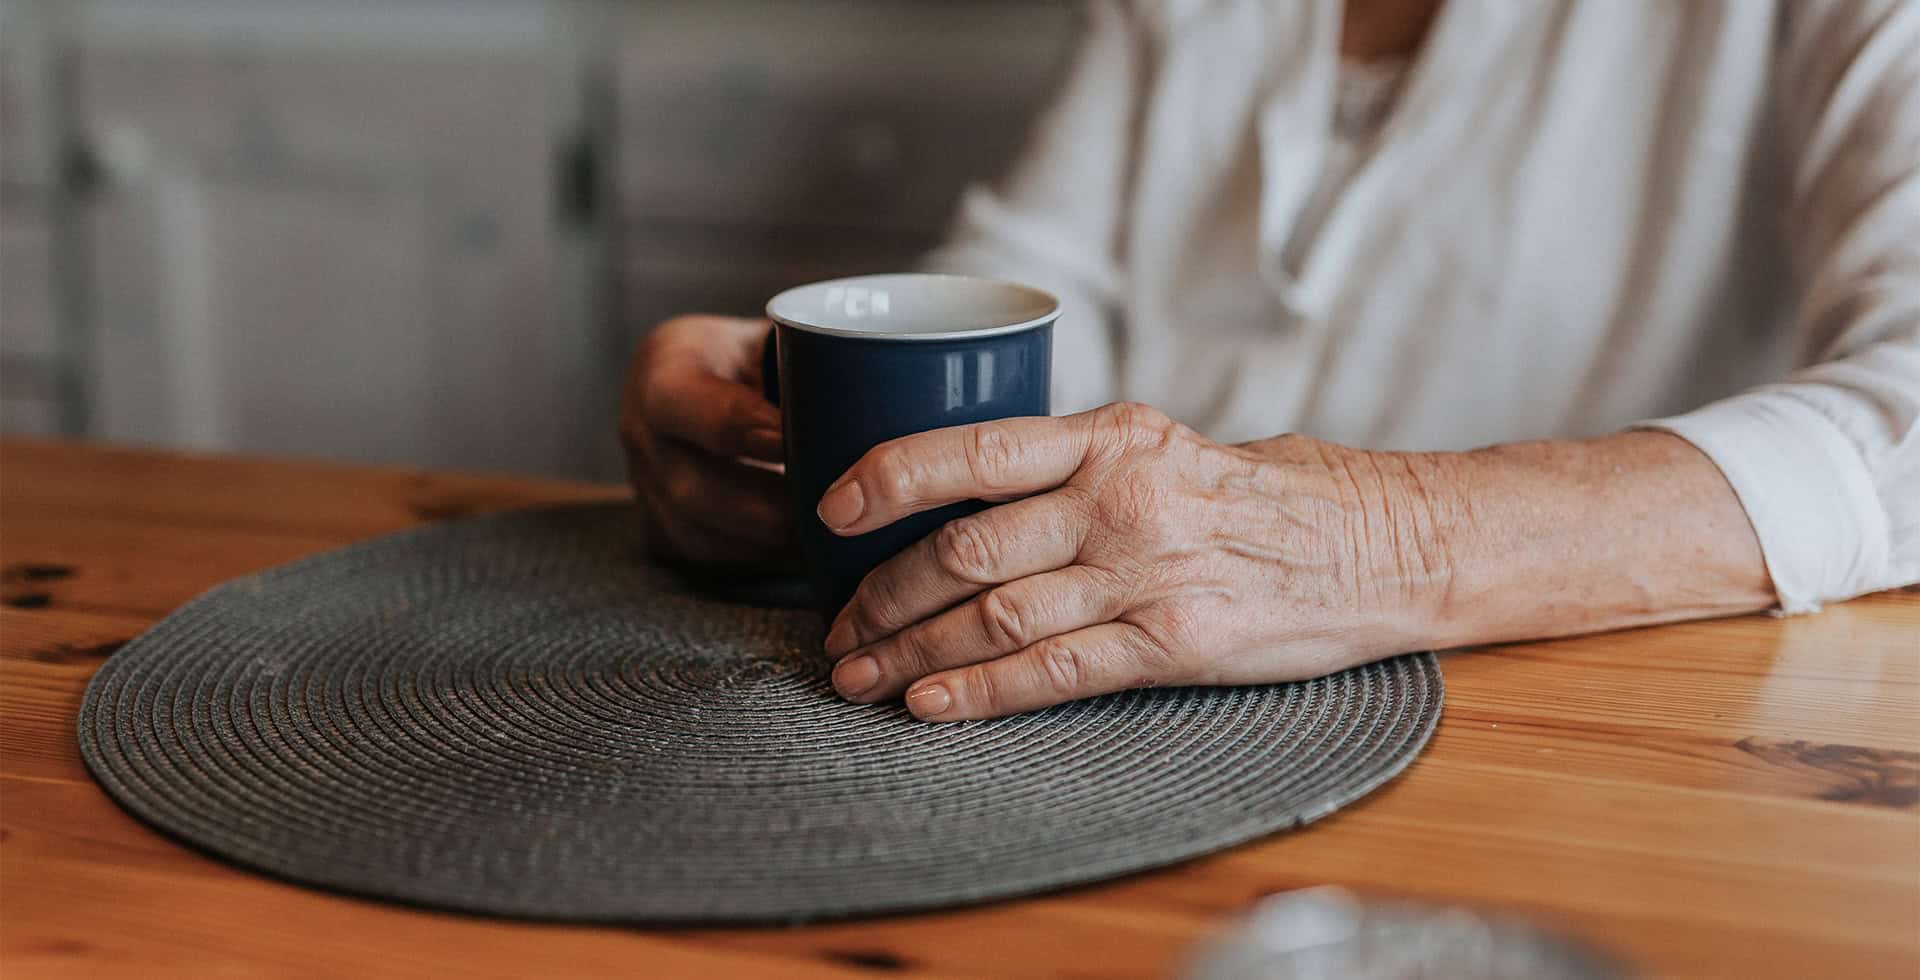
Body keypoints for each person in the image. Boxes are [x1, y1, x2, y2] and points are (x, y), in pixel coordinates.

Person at [619, 0, 1919, 722]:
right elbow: (1030, 296)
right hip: (1137, 744)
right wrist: (802, 413)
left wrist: (1371, 540)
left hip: (1598, 754)